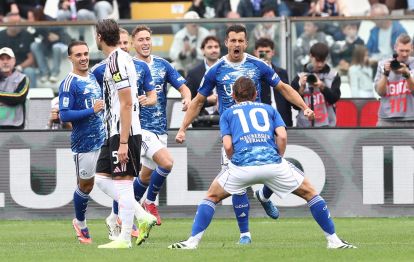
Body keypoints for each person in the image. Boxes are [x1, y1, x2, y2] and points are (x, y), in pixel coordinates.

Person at [169, 76, 356, 249]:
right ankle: (334, 240)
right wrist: (278, 157)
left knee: (211, 197)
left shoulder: (228, 114)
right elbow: (282, 135)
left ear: (233, 96)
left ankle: (192, 242)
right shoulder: (269, 109)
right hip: (272, 165)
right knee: (310, 193)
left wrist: (236, 160)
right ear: (256, 94)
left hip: (241, 166)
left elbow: (227, 145)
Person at [175, 24, 314, 244]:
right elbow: (199, 100)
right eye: (233, 40)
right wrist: (183, 127)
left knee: (275, 167)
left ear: (246, 43)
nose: (237, 44)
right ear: (226, 42)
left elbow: (283, 88)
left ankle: (265, 195)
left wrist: (303, 106)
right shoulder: (216, 69)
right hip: (232, 132)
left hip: (259, 133)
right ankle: (245, 234)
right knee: (238, 184)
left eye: (241, 41)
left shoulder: (258, 65)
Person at [92, 19, 156, 249]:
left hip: (123, 131)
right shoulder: (115, 59)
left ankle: (125, 238)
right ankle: (142, 215)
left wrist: (123, 141)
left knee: (123, 183)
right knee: (101, 179)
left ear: (99, 37)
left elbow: (127, 103)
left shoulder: (117, 61)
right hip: (114, 131)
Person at [126, 25, 191, 225]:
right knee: (167, 162)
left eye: (148, 39)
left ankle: (123, 215)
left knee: (145, 177)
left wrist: (186, 98)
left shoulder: (163, 64)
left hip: (160, 129)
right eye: (140, 40)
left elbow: (184, 87)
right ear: (132, 43)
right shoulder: (128, 66)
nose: (145, 43)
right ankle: (151, 202)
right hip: (139, 129)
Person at [58, 41, 105, 244]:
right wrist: (91, 111)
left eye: (85, 53)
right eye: (78, 55)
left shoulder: (94, 77)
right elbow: (64, 115)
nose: (84, 58)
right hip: (84, 142)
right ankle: (80, 222)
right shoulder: (69, 83)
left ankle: (122, 220)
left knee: (118, 179)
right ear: (70, 58)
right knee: (86, 185)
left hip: (105, 139)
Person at [292, 42, 341, 127]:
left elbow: (334, 99)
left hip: (327, 125)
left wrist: (322, 87)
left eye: (323, 61)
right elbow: (294, 106)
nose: (320, 64)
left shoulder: (333, 75)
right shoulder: (300, 76)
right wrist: (301, 89)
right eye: (317, 61)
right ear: (311, 56)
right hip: (304, 126)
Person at [374, 33, 414, 127]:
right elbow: (380, 92)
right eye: (401, 50)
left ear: (412, 48)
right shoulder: (383, 64)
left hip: (411, 118)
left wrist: (407, 74)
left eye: (407, 51)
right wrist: (385, 74)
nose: (404, 54)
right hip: (386, 118)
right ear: (395, 47)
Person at [253, 37, 293, 126]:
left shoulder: (282, 73)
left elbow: (287, 95)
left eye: (267, 51)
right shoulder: (252, 73)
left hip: (282, 119)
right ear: (255, 53)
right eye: (261, 52)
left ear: (273, 52)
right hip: (261, 120)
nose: (264, 54)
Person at [186, 35, 220, 124]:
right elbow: (189, 101)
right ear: (202, 50)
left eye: (216, 47)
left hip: (225, 121)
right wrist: (207, 100)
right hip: (200, 122)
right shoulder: (193, 73)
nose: (214, 50)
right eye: (210, 47)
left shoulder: (229, 70)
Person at [0, 12, 36, 88]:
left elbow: (31, 58)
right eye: (13, 22)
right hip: (3, 66)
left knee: (30, 71)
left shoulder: (26, 35)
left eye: (18, 22)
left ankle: (31, 96)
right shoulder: (1, 36)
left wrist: (19, 67)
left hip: (22, 67)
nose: (16, 24)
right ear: (7, 23)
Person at [168, 11, 211, 75]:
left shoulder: (205, 33)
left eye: (196, 22)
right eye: (191, 22)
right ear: (186, 24)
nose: (194, 24)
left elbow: (209, 52)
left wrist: (193, 51)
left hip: (201, 65)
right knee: (173, 66)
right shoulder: (180, 35)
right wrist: (182, 53)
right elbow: (172, 54)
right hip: (184, 65)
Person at [0, 47, 29, 129]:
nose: (5, 62)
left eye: (8, 58)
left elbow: (18, 97)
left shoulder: (22, 78)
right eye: (2, 59)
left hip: (15, 126)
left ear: (14, 61)